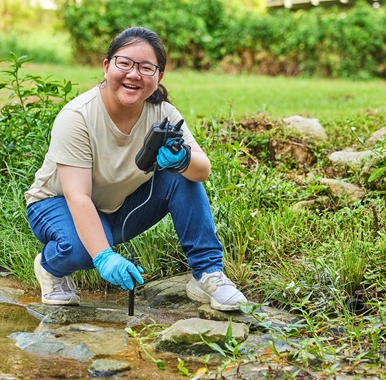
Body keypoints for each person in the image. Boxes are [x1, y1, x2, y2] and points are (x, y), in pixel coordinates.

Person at [24, 26, 248, 311]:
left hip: (117, 209)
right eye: (124, 63)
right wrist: (104, 255)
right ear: (107, 66)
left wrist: (182, 161)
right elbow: (77, 195)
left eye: (146, 67)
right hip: (57, 203)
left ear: (159, 77)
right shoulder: (77, 117)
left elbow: (202, 171)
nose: (133, 74)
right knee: (82, 251)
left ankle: (208, 273)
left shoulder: (163, 113)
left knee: (183, 175)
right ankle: (50, 267)